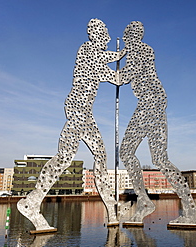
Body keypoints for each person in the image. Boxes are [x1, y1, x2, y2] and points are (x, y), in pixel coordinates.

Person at [17, 18, 124, 231]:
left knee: (79, 157)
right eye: (106, 34)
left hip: (84, 113)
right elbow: (110, 72)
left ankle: (111, 209)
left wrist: (122, 67)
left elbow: (112, 73)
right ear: (96, 35)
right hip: (78, 111)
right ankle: (32, 201)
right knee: (79, 157)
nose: (109, 38)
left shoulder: (95, 56)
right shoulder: (87, 51)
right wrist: (122, 56)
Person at [119, 21, 196, 226]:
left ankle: (148, 202)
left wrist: (101, 70)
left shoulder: (141, 51)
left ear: (132, 37)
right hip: (152, 104)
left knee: (129, 153)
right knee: (157, 159)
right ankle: (184, 209)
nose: (125, 42)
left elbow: (124, 76)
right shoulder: (140, 51)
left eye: (126, 38)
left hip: (150, 105)